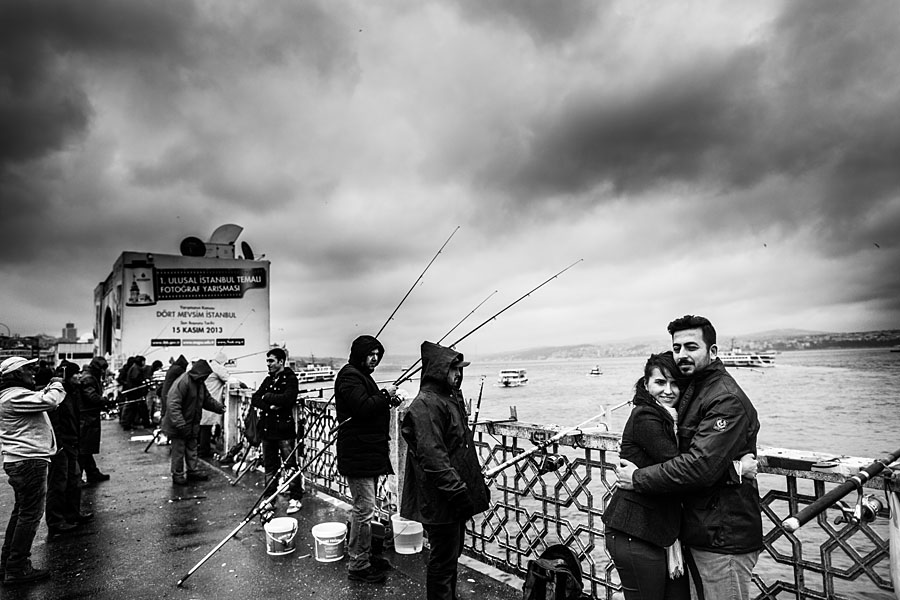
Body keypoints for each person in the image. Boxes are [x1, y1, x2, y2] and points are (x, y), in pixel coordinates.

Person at [616, 315, 763, 600]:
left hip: (723, 536)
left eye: (691, 347)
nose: (682, 354)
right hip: (699, 531)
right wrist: (734, 469)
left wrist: (637, 477)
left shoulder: (724, 398)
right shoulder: (695, 389)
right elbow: (687, 457)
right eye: (677, 347)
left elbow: (698, 466)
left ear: (713, 351)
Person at [401, 341, 490, 600]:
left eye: (460, 369)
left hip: (450, 498)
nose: (458, 374)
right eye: (453, 369)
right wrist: (460, 494)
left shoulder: (445, 399)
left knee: (450, 558)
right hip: (442, 500)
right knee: (442, 562)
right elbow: (434, 458)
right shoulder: (426, 405)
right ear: (439, 370)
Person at [335, 335, 399, 584]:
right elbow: (362, 407)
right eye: (370, 354)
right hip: (358, 453)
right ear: (359, 353)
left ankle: (366, 556)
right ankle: (358, 565)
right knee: (364, 509)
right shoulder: (350, 376)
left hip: (367, 452)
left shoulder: (360, 376)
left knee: (366, 508)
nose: (374, 359)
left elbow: (368, 406)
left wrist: (387, 401)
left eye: (377, 354)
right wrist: (385, 394)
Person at [0, 356, 66, 585]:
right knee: (30, 515)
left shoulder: (11, 395)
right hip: (29, 462)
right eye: (28, 369)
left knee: (21, 513)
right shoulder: (15, 396)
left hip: (21, 461)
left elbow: (39, 398)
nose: (33, 373)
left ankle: (8, 563)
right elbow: (51, 401)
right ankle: (17, 567)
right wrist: (57, 382)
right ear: (16, 373)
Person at [250, 348, 303, 514]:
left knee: (290, 465)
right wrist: (270, 404)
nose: (268, 364)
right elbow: (255, 399)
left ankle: (295, 498)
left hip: (284, 431)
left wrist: (267, 396)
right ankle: (270, 498)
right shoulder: (268, 379)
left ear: (281, 361)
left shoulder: (290, 379)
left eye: (271, 361)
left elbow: (288, 399)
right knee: (270, 466)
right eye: (267, 361)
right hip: (267, 430)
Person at [45, 361, 92, 537]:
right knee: (58, 483)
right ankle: (56, 522)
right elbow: (53, 421)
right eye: (75, 374)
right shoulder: (57, 393)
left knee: (74, 480)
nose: (79, 377)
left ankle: (72, 514)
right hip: (61, 445)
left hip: (71, 443)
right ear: (67, 376)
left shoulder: (72, 392)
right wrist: (58, 446)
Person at [161, 359, 225, 485]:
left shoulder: (199, 383)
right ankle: (177, 474)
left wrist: (218, 407)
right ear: (200, 374)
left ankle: (192, 471)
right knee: (178, 452)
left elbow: (206, 400)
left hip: (191, 423)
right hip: (179, 425)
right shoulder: (183, 381)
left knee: (192, 448)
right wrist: (180, 424)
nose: (205, 378)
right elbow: (173, 404)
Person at [76, 356, 111, 484]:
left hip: (87, 417)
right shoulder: (89, 378)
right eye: (102, 369)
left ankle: (92, 473)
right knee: (84, 449)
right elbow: (91, 397)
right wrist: (104, 401)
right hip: (87, 418)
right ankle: (78, 478)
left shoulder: (88, 376)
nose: (103, 372)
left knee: (86, 449)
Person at [198, 352, 230, 459]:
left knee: (203, 427)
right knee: (206, 427)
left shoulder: (210, 366)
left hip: (204, 401)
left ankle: (201, 448)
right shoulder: (217, 368)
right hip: (211, 401)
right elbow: (229, 379)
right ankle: (204, 451)